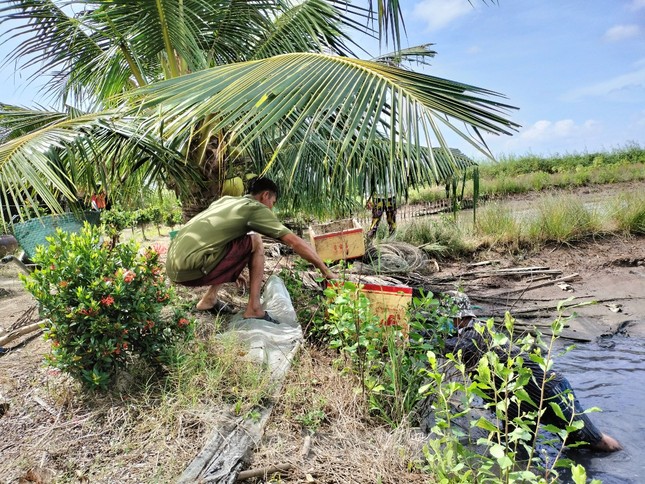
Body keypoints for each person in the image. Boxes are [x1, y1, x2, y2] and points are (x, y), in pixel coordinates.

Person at [436, 291, 622, 453]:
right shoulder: (468, 331)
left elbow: (451, 348)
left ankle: (624, 458)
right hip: (520, 401)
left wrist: (418, 340)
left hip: (548, 390)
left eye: (446, 318)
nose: (444, 323)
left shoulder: (475, 332)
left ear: (458, 318)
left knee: (595, 441)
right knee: (518, 446)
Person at [166, 178, 336, 322]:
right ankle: (254, 308)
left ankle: (209, 300)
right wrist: (325, 270)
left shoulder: (226, 201)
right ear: (266, 195)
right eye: (273, 203)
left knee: (239, 238)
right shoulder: (257, 208)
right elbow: (294, 242)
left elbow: (217, 239)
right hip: (191, 269)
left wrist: (230, 266)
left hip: (173, 266)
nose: (271, 208)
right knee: (255, 240)